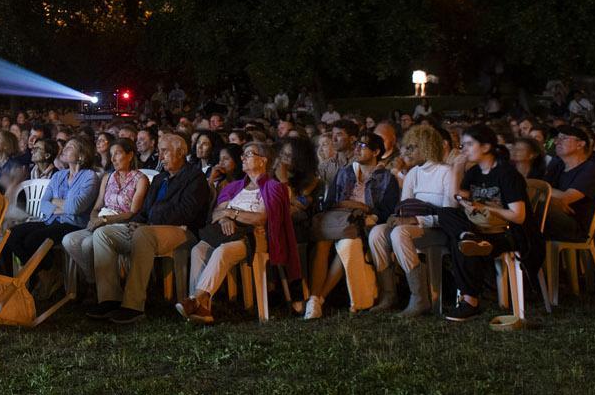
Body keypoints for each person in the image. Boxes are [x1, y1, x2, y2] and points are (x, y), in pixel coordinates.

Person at [85, 132, 211, 326]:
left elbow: (186, 212)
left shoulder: (195, 178)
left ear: (180, 152)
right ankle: (109, 299)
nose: (160, 157)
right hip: (150, 228)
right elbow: (145, 209)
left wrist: (150, 218)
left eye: (165, 152)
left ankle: (133, 305)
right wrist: (137, 220)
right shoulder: (160, 178)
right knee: (103, 234)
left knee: (143, 233)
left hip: (182, 231)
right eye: (160, 152)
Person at [176, 142, 296, 324]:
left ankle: (195, 299)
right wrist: (224, 219)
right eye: (243, 155)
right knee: (198, 249)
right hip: (226, 234)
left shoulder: (272, 187)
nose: (243, 158)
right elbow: (216, 213)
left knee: (222, 251)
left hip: (254, 237)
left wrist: (231, 213)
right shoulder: (234, 187)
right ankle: (202, 309)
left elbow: (260, 219)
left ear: (263, 160)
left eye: (248, 154)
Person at [434, 124, 527, 322]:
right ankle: (468, 237)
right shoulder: (475, 172)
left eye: (469, 144)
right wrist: (457, 170)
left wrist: (484, 207)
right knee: (445, 213)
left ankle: (470, 303)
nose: (464, 150)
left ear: (485, 147)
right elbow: (455, 198)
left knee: (460, 244)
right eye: (462, 145)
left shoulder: (506, 174)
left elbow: (518, 216)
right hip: (479, 229)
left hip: (505, 232)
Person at [305, 132, 399, 318]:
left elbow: (386, 210)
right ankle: (315, 299)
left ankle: (319, 299)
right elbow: (330, 201)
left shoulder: (386, 178)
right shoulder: (344, 173)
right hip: (338, 220)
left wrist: (363, 209)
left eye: (363, 146)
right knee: (323, 243)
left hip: (364, 223)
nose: (357, 148)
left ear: (376, 151)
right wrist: (356, 205)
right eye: (356, 144)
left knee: (348, 244)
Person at [373, 123, 458, 317]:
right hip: (414, 226)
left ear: (427, 147)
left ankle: (419, 298)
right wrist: (400, 218)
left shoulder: (446, 172)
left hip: (438, 229)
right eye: (407, 147)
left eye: (413, 147)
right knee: (377, 233)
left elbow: (449, 215)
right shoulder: (413, 173)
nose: (407, 152)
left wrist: (417, 220)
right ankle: (389, 294)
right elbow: (406, 207)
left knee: (400, 233)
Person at [0, 138, 97, 283]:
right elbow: (42, 204)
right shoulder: (59, 175)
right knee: (12, 234)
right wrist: (62, 206)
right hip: (50, 220)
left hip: (74, 224)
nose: (64, 149)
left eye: (70, 147)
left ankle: (42, 277)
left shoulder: (89, 176)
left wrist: (55, 202)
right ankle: (47, 274)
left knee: (33, 239)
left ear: (81, 156)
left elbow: (75, 208)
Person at [60, 138, 147, 295]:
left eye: (118, 153)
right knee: (69, 240)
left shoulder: (140, 179)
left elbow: (133, 212)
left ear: (130, 155)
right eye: (111, 154)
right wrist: (94, 219)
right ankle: (93, 280)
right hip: (101, 220)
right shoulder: (108, 177)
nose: (113, 158)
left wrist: (105, 220)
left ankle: (98, 288)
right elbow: (97, 207)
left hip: (121, 223)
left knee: (87, 244)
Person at [541, 125, 595, 243]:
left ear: (580, 144)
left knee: (536, 207)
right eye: (557, 138)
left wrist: (548, 197)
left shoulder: (591, 169)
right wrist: (553, 201)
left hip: (575, 225)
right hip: (555, 215)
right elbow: (541, 191)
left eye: (564, 138)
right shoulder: (557, 166)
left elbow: (565, 197)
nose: (557, 142)